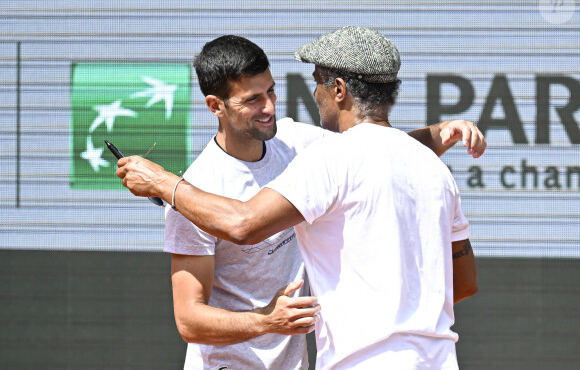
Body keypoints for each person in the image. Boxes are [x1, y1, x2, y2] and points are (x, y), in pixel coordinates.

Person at [120, 30, 482, 369]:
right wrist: (266, 321)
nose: (270, 107)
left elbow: (244, 223)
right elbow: (189, 319)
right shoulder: (197, 193)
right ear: (216, 106)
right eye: (252, 100)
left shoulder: (305, 149)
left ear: (338, 90)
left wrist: (163, 183)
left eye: (272, 92)